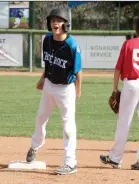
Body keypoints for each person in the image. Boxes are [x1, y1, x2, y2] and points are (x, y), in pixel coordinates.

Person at [100, 16, 139, 171]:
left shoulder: (128, 44)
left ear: (136, 30)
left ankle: (115, 159)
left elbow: (118, 69)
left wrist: (115, 89)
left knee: (124, 122)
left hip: (131, 84)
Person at [25, 8, 82, 175]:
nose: (55, 23)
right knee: (41, 117)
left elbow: (78, 71)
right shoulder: (47, 40)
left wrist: (78, 91)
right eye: (52, 20)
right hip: (49, 85)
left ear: (66, 24)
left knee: (68, 125)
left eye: (59, 20)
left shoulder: (72, 45)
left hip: (66, 89)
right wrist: (42, 79)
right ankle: (35, 146)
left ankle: (70, 162)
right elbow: (49, 64)